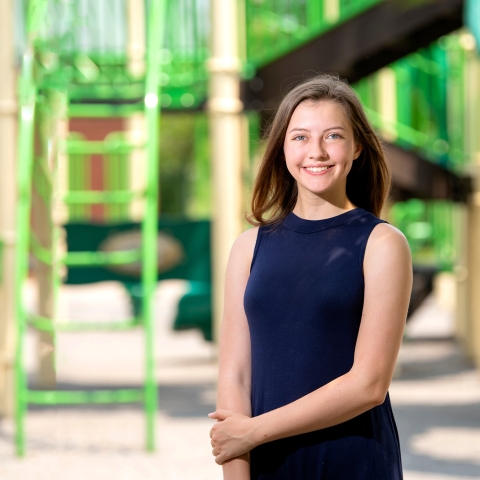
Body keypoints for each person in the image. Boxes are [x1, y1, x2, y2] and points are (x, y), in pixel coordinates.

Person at [208, 74, 412, 479]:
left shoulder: (382, 244)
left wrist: (251, 433)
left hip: (351, 463)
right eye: (300, 137)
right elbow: (235, 374)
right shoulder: (249, 247)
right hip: (266, 464)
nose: (316, 151)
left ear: (357, 148)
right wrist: (237, 470)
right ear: (282, 148)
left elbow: (369, 383)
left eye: (333, 136)